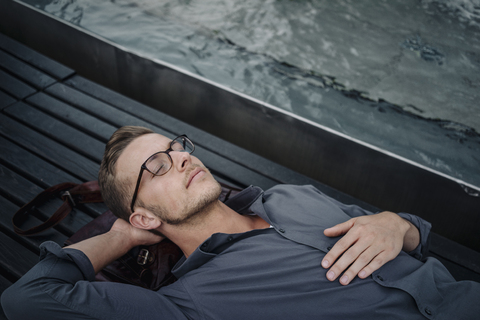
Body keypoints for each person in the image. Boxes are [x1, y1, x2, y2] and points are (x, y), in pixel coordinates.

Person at [2, 126, 479, 320]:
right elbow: (27, 299)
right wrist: (120, 234)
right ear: (143, 214)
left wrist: (396, 224)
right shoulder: (191, 304)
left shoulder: (291, 196)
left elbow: (418, 238)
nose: (181, 159)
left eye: (177, 148)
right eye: (156, 167)